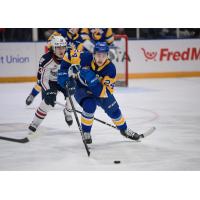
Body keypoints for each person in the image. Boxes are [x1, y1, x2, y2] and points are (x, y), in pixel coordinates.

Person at [57, 42, 140, 144]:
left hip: (101, 91)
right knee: (89, 106)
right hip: (82, 89)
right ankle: (86, 132)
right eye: (98, 55)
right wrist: (63, 73)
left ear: (107, 55)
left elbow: (104, 92)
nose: (101, 58)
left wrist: (92, 81)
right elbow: (69, 54)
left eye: (104, 55)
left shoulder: (110, 69)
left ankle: (124, 130)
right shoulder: (85, 57)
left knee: (114, 111)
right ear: (93, 54)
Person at [28, 35, 75, 137]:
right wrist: (48, 90)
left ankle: (68, 112)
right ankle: (35, 123)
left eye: (63, 47)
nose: (61, 50)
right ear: (53, 48)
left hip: (66, 79)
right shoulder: (46, 59)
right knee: (48, 101)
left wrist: (74, 75)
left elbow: (77, 69)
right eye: (58, 48)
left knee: (71, 98)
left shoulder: (71, 55)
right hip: (51, 82)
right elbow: (42, 79)